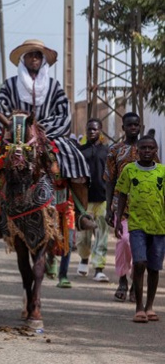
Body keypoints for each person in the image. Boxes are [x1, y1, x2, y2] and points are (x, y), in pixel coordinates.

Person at [0, 39, 93, 240]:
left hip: (48, 136)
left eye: (38, 55)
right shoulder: (10, 85)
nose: (34, 58)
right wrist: (13, 130)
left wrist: (39, 131)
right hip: (13, 138)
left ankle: (82, 214)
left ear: (42, 60)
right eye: (31, 55)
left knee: (76, 160)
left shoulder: (54, 87)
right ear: (24, 59)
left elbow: (64, 115)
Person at [105, 112, 159, 302]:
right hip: (122, 206)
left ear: (140, 127)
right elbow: (110, 181)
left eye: (136, 125)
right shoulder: (115, 151)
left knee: (141, 248)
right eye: (130, 125)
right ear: (123, 128)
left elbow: (157, 177)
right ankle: (122, 279)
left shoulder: (148, 148)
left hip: (146, 208)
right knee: (124, 242)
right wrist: (108, 208)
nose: (133, 128)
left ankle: (136, 287)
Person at [114, 136, 165, 323]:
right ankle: (139, 307)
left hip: (159, 226)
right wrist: (118, 218)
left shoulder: (162, 171)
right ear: (137, 150)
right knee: (140, 262)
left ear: (156, 150)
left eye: (150, 148)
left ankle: (150, 307)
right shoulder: (129, 170)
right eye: (143, 148)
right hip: (136, 225)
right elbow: (122, 195)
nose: (146, 151)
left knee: (154, 267)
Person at [77, 118, 110, 282]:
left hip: (103, 199)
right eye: (89, 129)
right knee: (83, 235)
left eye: (95, 129)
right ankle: (84, 259)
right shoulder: (80, 151)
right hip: (84, 201)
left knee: (102, 235)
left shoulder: (107, 152)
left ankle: (99, 268)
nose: (91, 132)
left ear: (100, 131)